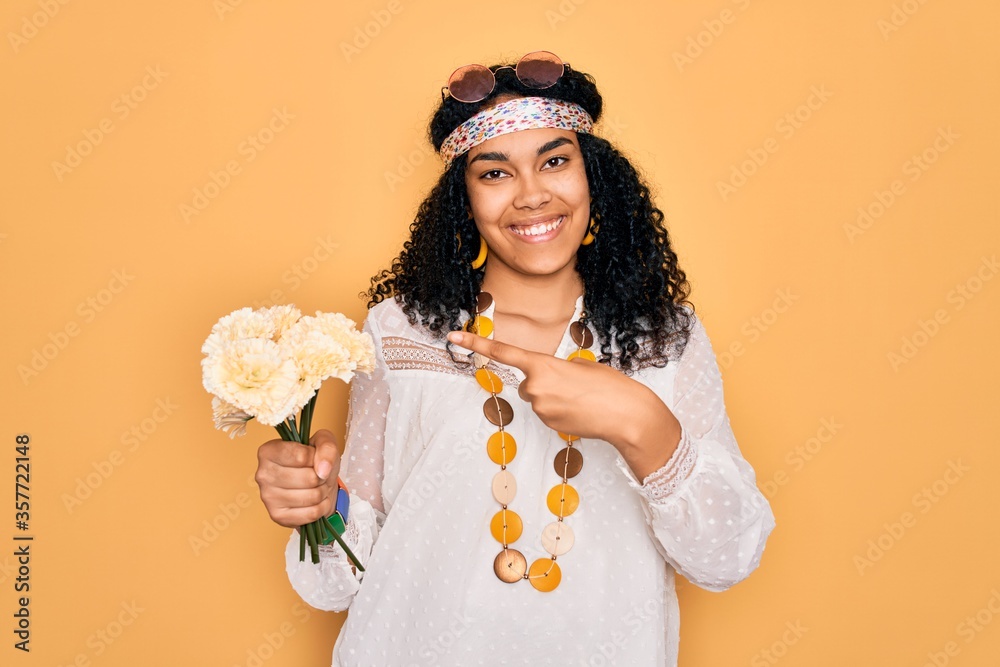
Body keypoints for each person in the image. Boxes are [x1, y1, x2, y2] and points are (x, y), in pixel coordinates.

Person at [253, 51, 776, 666]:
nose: (532, 196)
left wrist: (643, 424)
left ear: (594, 178)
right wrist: (316, 503)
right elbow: (340, 576)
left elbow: (726, 558)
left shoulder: (663, 335)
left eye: (555, 161)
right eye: (495, 173)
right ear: (463, 200)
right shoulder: (401, 330)